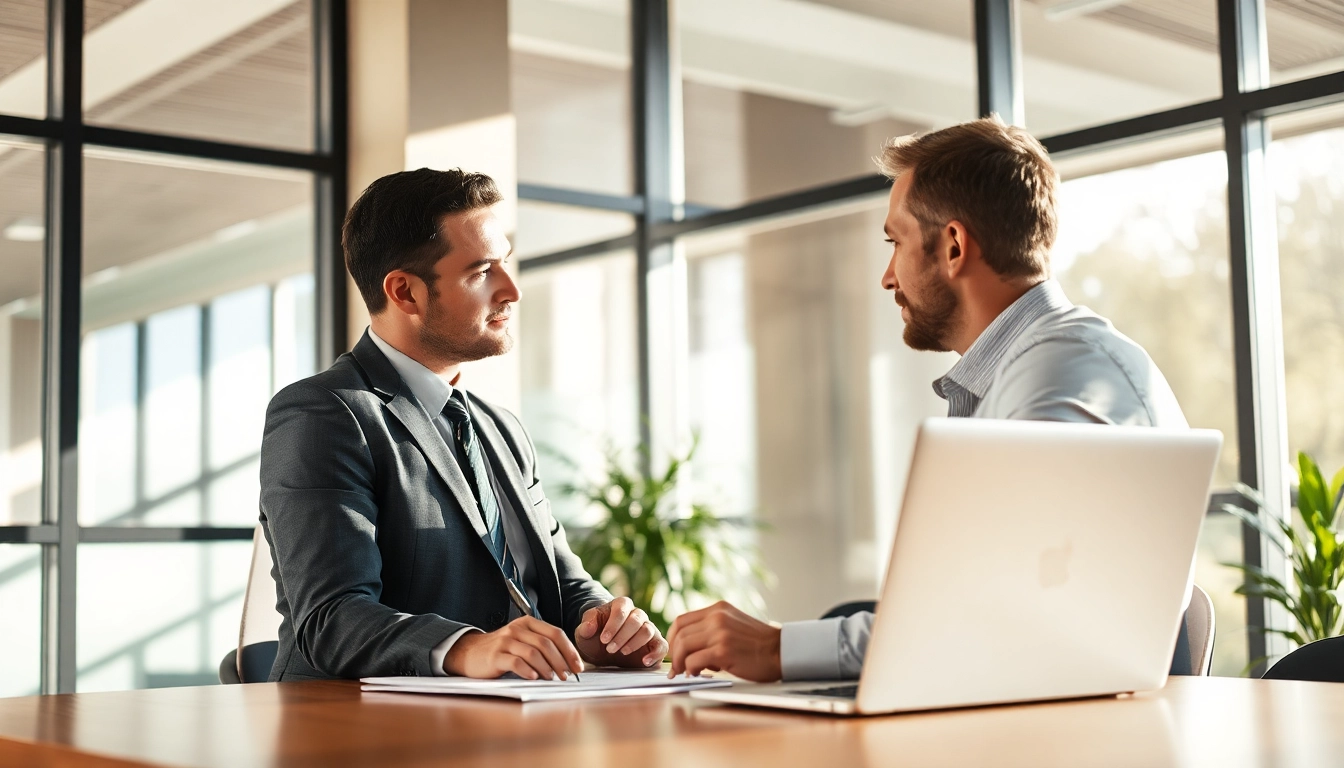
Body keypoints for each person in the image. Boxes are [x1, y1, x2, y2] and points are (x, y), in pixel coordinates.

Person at [665, 115, 1189, 683]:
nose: (887, 277)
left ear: (955, 246)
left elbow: (994, 618)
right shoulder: (1029, 369)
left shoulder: (1062, 378)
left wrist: (774, 650)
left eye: (896, 243)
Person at [260, 168, 667, 681]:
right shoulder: (325, 414)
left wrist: (603, 625)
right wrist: (468, 648)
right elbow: (331, 618)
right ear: (405, 293)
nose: (512, 290)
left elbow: (563, 583)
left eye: (506, 264)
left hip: (514, 722)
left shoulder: (501, 429)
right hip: (361, 732)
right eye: (482, 272)